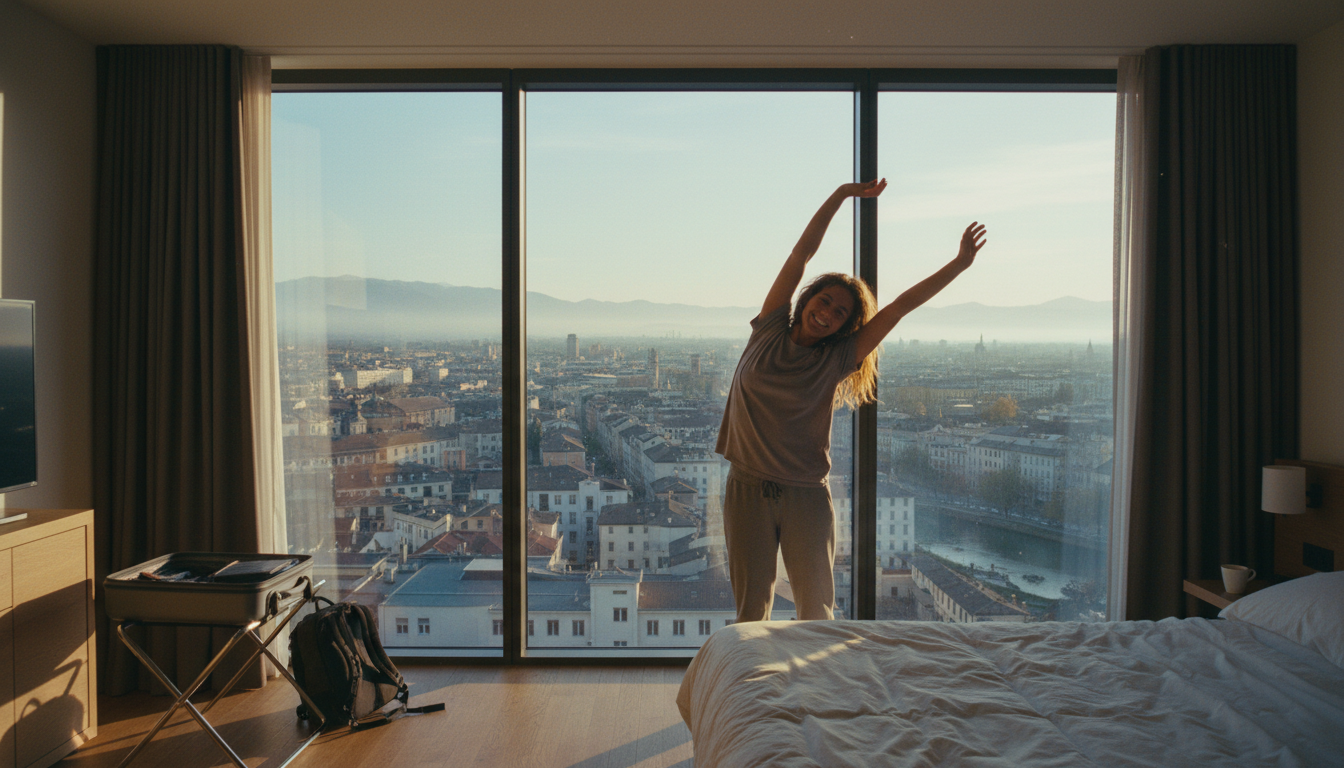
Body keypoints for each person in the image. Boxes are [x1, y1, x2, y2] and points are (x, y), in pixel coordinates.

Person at [715, 178, 987, 622]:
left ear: (845, 326)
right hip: (746, 488)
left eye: (840, 313)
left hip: (805, 494)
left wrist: (958, 265)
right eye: (824, 302)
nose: (827, 313)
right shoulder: (767, 329)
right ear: (806, 300)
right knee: (751, 610)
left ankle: (816, 688)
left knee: (817, 609)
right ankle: (757, 685)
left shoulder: (838, 358)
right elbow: (800, 255)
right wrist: (841, 195)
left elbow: (898, 307)